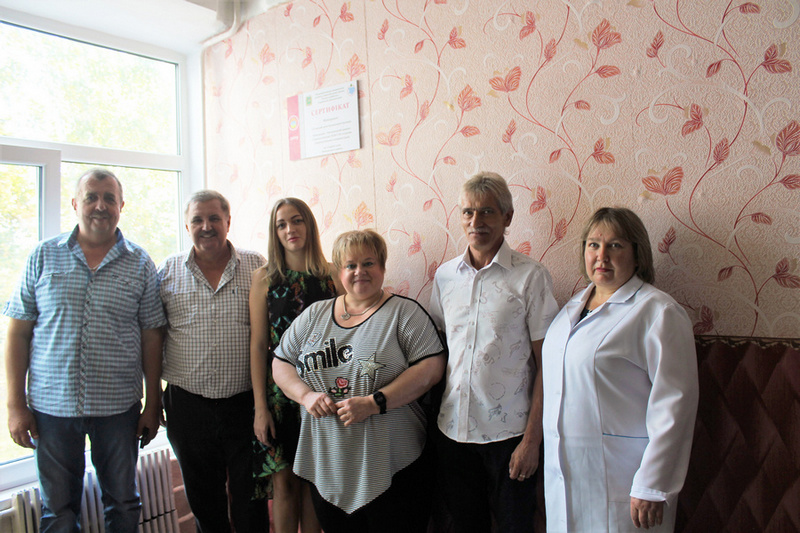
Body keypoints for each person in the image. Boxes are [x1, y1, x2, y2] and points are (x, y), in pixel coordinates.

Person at [4, 168, 165, 532]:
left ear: (121, 206)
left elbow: (152, 337)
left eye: (109, 198)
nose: (100, 205)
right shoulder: (43, 256)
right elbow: (17, 333)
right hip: (52, 408)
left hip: (118, 409)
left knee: (123, 503)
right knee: (58, 511)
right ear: (76, 204)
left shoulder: (140, 263)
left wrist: (153, 404)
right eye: (91, 197)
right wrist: (15, 405)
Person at [272, 229, 446, 533]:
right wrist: (306, 396)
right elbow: (281, 362)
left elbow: (432, 367)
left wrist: (376, 402)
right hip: (329, 464)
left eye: (368, 263)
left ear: (382, 267)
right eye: (350, 265)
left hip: (393, 466)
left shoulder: (404, 313)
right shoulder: (314, 314)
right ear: (339, 271)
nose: (359, 272)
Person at [542, 207, 699, 532]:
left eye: (615, 245)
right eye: (593, 244)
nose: (602, 255)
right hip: (566, 474)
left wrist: (653, 483)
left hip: (625, 479)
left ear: (637, 255)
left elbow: (675, 404)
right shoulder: (571, 309)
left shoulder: (658, 312)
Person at [429, 171, 559, 533]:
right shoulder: (445, 277)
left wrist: (532, 440)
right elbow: (439, 352)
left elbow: (548, 365)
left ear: (507, 217)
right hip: (452, 431)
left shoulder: (530, 277)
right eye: (468, 212)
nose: (476, 221)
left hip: (511, 436)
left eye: (487, 211)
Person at [159, 190, 268, 533]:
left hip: (246, 404)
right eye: (197, 220)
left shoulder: (256, 265)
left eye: (214, 218)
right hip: (187, 406)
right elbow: (153, 335)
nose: (206, 226)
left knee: (251, 501)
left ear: (228, 222)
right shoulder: (167, 270)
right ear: (187, 225)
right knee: (205, 503)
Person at [250, 197, 340, 533]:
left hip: (324, 390)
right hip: (278, 394)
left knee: (314, 482)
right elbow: (258, 345)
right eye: (281, 224)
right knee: (285, 483)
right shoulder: (264, 278)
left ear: (309, 225)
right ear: (275, 232)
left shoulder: (332, 274)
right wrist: (260, 407)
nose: (290, 229)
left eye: (297, 220)